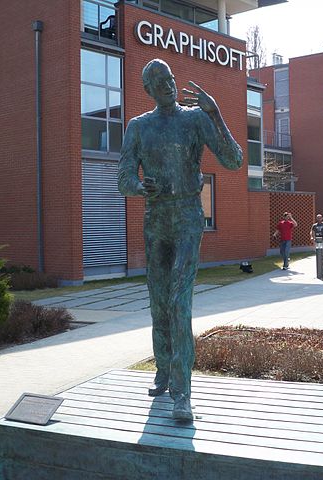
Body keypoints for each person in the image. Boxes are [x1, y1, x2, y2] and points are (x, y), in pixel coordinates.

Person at [118, 59, 242, 421]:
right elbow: (123, 176)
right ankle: (163, 368)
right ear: (149, 90)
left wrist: (216, 114)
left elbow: (234, 161)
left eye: (169, 78)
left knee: (178, 301)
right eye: (159, 81)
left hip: (188, 216)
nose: (168, 84)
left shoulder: (195, 119)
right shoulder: (138, 127)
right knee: (158, 302)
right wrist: (141, 187)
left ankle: (182, 393)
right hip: (156, 219)